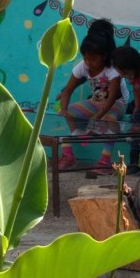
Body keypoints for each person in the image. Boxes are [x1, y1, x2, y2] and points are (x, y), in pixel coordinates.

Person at [56, 19, 130, 172]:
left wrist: (96, 118)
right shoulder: (83, 66)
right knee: (67, 112)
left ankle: (104, 161)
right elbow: (68, 91)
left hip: (117, 103)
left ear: (103, 56)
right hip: (96, 101)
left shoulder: (112, 69)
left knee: (109, 119)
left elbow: (111, 98)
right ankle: (69, 155)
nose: (88, 63)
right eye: (85, 58)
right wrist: (63, 110)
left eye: (93, 59)